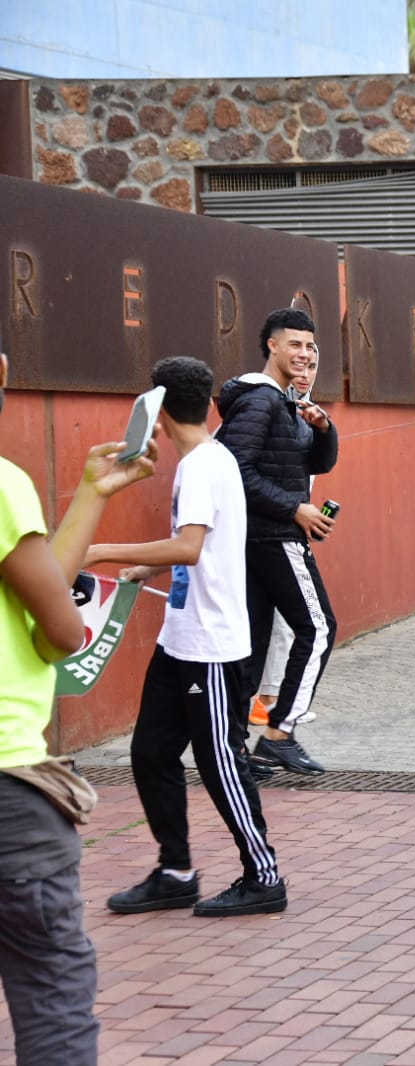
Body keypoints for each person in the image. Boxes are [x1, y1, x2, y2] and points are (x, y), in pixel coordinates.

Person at [86, 358, 286, 918]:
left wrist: (100, 551)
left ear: (159, 405)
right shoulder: (202, 459)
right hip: (181, 637)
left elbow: (189, 546)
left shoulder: (202, 465)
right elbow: (196, 547)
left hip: (212, 648)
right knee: (151, 752)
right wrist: (144, 570)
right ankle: (175, 872)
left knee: (221, 762)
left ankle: (264, 876)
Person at [1, 350, 156, 1065]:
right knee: (50, 988)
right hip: (9, 788)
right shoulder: (2, 484)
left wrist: (92, 496)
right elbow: (57, 631)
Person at [215, 308, 339, 776]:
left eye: (309, 346)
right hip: (273, 536)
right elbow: (234, 471)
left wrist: (325, 430)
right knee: (319, 628)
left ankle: (233, 747)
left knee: (252, 643)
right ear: (271, 345)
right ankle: (280, 733)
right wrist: (294, 508)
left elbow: (316, 463)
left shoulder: (285, 403)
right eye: (295, 344)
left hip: (259, 538)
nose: (304, 353)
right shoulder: (261, 401)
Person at [250, 346, 321, 731]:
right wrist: (293, 511)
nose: (306, 374)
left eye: (313, 366)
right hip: (269, 535)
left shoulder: (309, 418)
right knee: (307, 624)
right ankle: (273, 706)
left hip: (292, 532)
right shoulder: (261, 410)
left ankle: (273, 703)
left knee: (286, 623)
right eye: (301, 365)